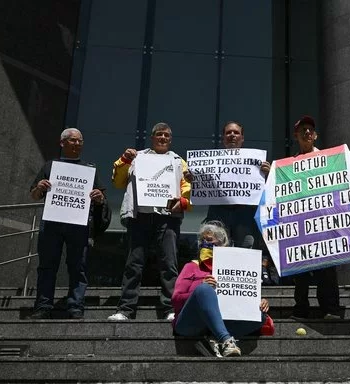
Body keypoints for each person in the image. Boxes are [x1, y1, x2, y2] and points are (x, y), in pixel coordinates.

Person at [107, 122, 191, 321]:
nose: (162, 138)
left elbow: (186, 187)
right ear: (152, 137)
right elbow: (118, 182)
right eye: (159, 134)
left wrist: (184, 201)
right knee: (133, 263)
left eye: (166, 136)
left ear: (170, 140)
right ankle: (125, 309)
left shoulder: (179, 161)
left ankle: (170, 308)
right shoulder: (137, 157)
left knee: (169, 263)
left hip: (168, 217)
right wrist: (123, 160)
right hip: (140, 216)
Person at [28, 128, 106, 319]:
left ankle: (75, 306)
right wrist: (39, 187)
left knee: (78, 266)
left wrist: (99, 196)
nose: (77, 144)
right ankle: (43, 306)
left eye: (80, 141)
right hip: (52, 223)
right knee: (47, 265)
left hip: (78, 225)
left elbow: (101, 197)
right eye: (73, 140)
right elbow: (34, 195)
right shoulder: (50, 166)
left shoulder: (89, 169)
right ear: (62, 143)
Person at [172, 221, 272, 357]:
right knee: (204, 290)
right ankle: (226, 340)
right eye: (203, 240)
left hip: (224, 321)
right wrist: (199, 288)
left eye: (210, 241)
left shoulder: (233, 270)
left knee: (259, 314)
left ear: (222, 245)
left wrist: (259, 301)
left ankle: (216, 336)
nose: (205, 244)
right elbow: (176, 299)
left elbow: (242, 297)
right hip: (190, 323)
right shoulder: (191, 267)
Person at [201, 121, 278, 285]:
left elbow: (271, 190)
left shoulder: (255, 162)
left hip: (245, 215)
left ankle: (244, 292)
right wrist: (194, 178)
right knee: (217, 251)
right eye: (228, 133)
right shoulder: (210, 162)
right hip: (218, 213)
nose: (232, 135)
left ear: (242, 138)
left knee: (246, 251)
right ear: (223, 138)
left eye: (236, 133)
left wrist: (269, 174)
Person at [289, 115, 341, 320]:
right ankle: (301, 308)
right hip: (299, 224)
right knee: (300, 268)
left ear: (316, 135)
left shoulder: (329, 159)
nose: (307, 132)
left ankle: (330, 308)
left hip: (324, 221)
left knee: (327, 267)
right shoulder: (288, 165)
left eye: (310, 129)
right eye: (303, 130)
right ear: (296, 135)